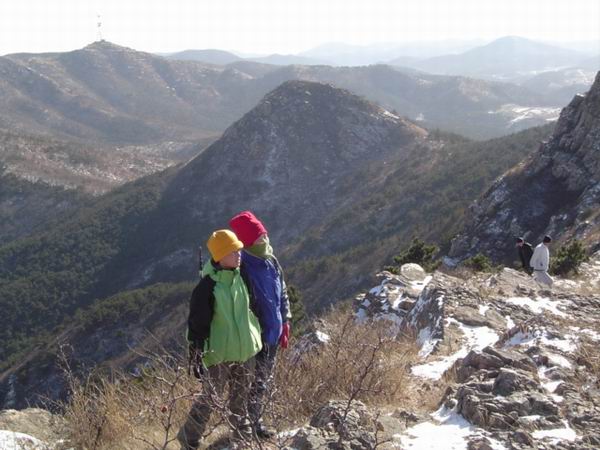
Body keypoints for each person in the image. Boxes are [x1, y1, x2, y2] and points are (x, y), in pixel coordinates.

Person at [178, 230, 263, 450]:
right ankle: (189, 437)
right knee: (210, 398)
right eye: (234, 251)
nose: (239, 254)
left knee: (240, 397)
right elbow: (197, 324)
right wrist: (197, 354)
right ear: (221, 255)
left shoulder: (242, 277)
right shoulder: (207, 287)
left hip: (245, 349)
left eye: (239, 250)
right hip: (219, 354)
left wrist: (257, 336)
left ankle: (242, 437)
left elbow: (252, 308)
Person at [229, 211, 291, 440]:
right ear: (247, 242)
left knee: (263, 380)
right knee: (248, 382)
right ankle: (244, 428)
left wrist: (286, 319)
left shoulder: (271, 261)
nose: (264, 239)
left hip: (273, 332)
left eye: (264, 234)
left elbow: (282, 292)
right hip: (254, 336)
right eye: (259, 237)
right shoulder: (241, 268)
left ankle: (256, 424)